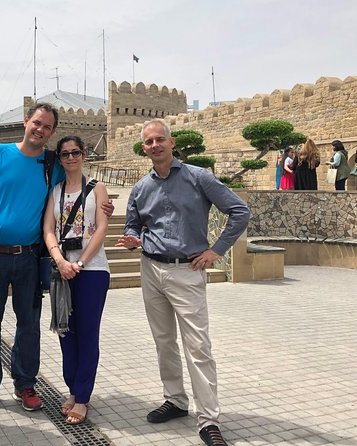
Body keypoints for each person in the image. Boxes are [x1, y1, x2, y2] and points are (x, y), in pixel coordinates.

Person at [0, 102, 114, 416]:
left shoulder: (53, 163)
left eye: (47, 127)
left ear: (52, 132)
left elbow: (79, 186)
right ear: (26, 122)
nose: (40, 130)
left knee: (29, 324)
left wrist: (105, 205)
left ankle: (25, 384)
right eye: (37, 123)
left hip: (31, 256)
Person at [116, 119, 250, 446]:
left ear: (172, 142)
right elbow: (134, 224)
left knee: (198, 347)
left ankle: (209, 420)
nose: (155, 146)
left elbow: (239, 211)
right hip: (151, 269)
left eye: (160, 139)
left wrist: (216, 251)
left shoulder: (198, 177)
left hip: (187, 271)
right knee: (164, 341)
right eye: (149, 142)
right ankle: (175, 400)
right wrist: (133, 238)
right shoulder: (140, 187)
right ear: (144, 148)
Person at [42, 136, 110, 425]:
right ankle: (72, 389)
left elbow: (102, 228)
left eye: (76, 152)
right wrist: (60, 260)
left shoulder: (97, 188)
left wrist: (80, 263)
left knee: (87, 332)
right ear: (59, 158)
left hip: (92, 270)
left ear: (84, 155)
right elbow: (48, 228)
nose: (71, 158)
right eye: (65, 154)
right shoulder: (55, 191)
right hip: (62, 269)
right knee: (66, 332)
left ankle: (83, 396)